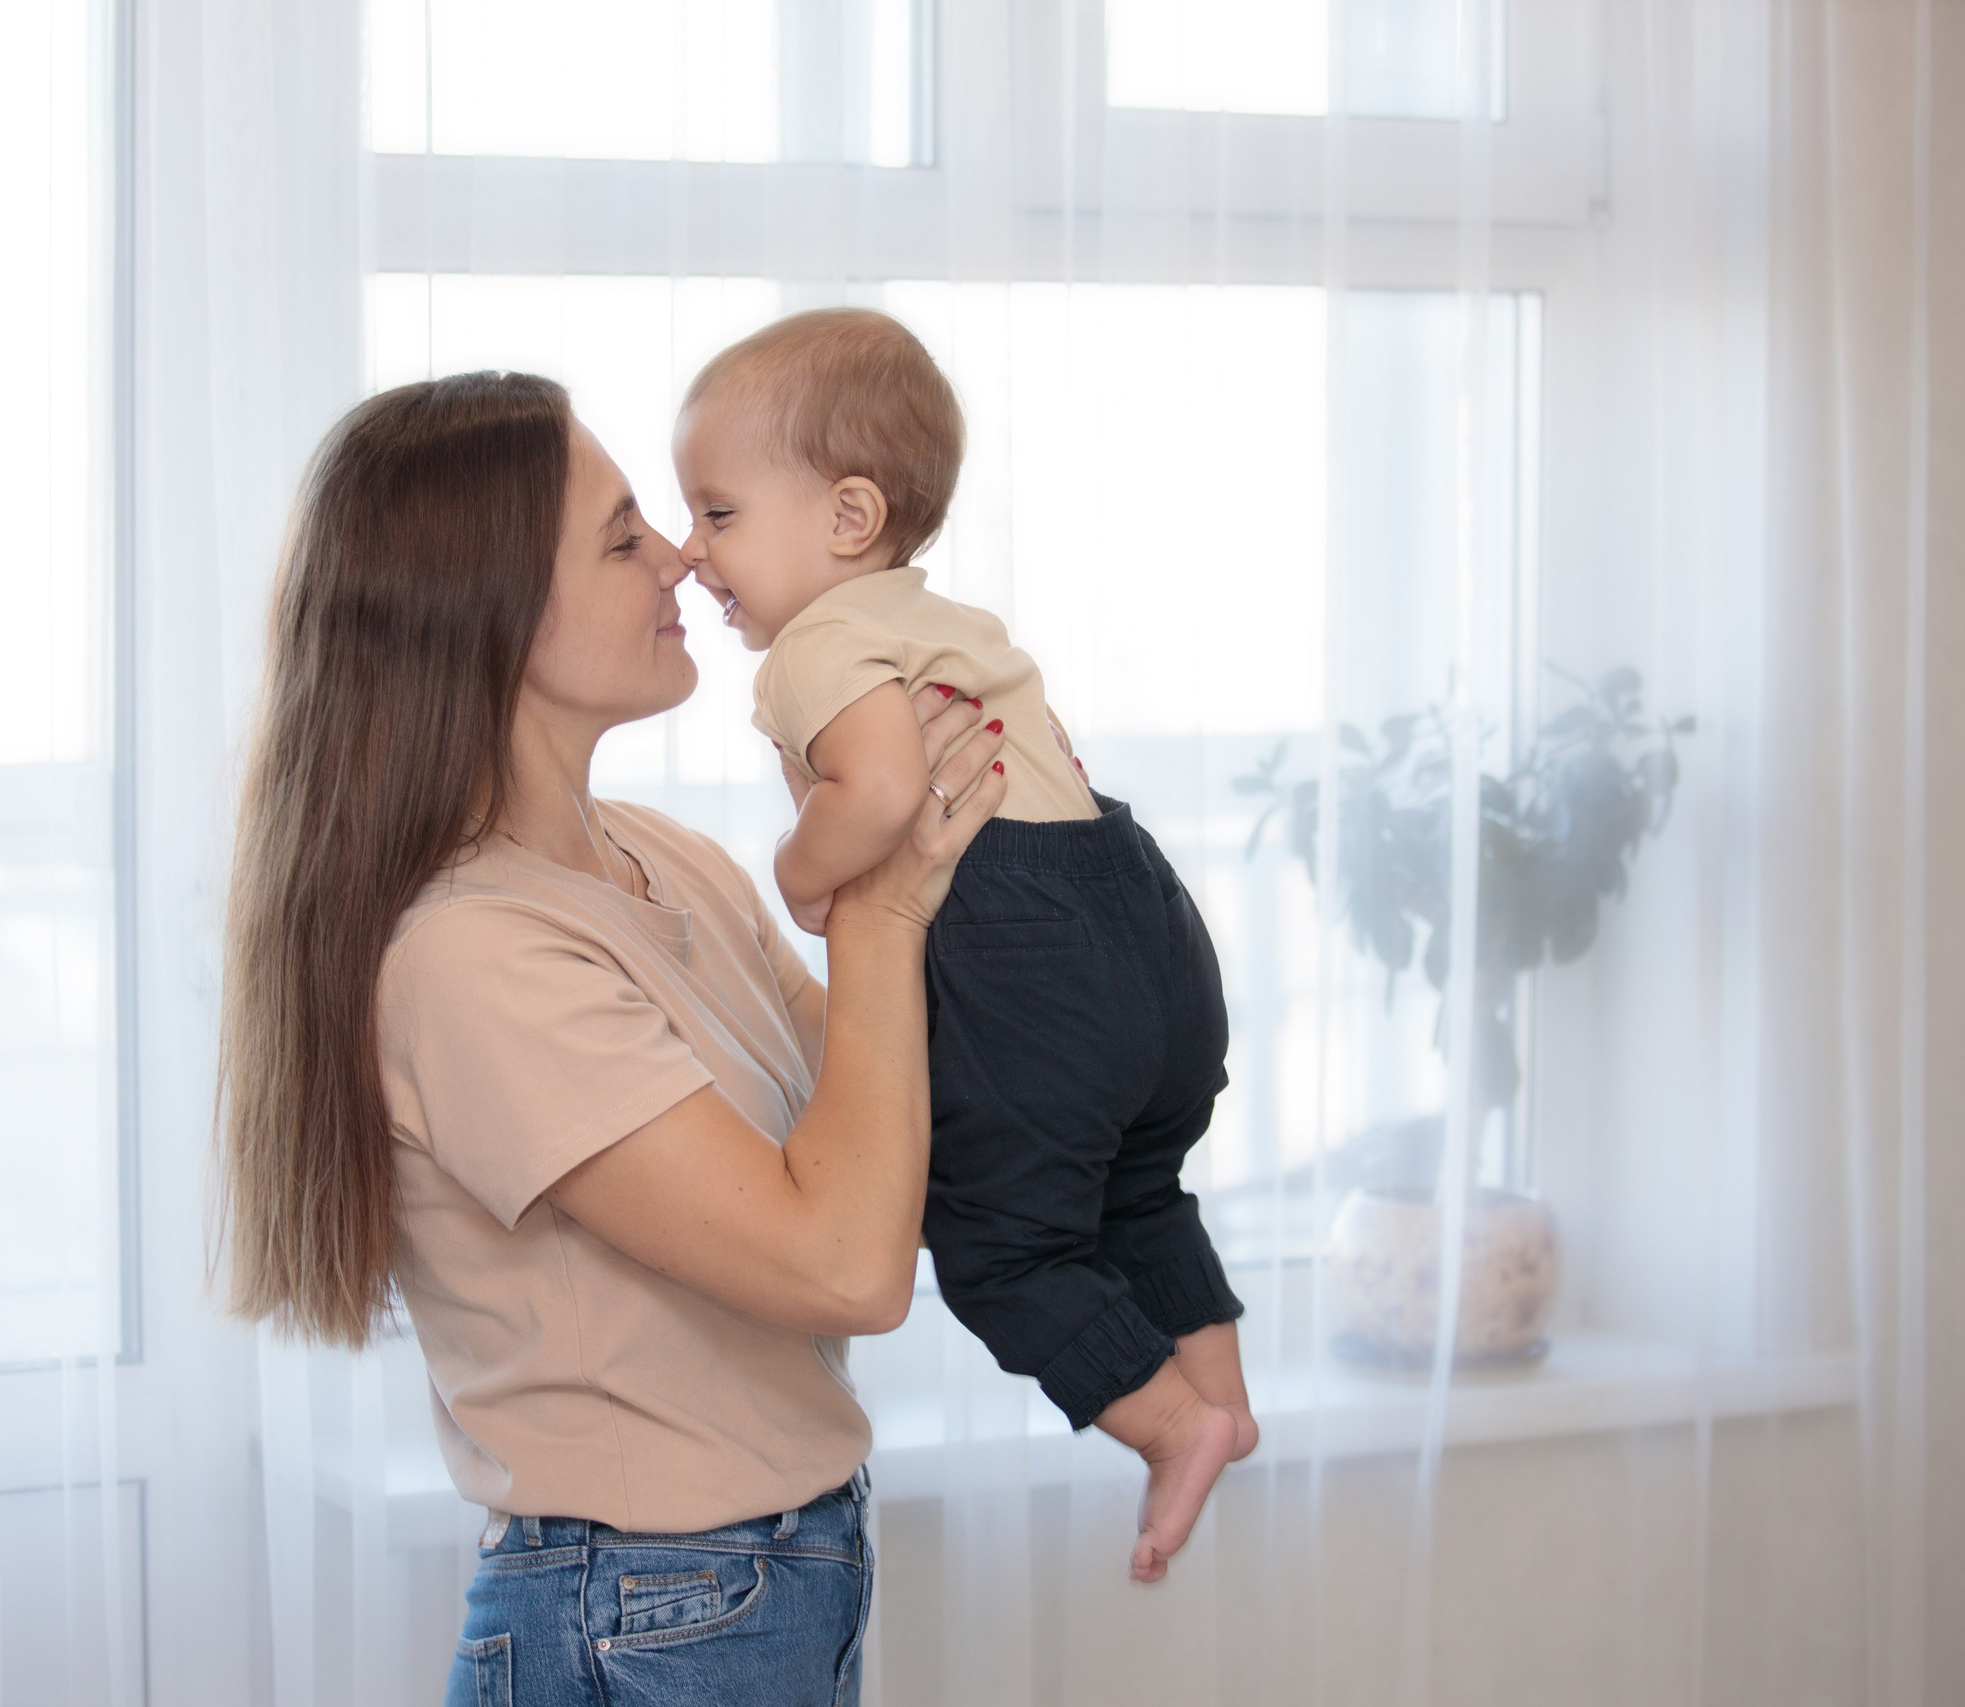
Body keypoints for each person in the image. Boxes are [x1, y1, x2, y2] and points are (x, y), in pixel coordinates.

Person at [213, 371, 1007, 1707]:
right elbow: (848, 1262)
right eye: (625, 530)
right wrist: (876, 904)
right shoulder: (472, 955)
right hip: (653, 1599)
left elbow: (894, 1153)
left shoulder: (669, 861)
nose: (683, 556)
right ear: (496, 614)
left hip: (758, 1574)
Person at [673, 308, 1256, 1585]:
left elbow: (881, 794)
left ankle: (1174, 1425)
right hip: (1142, 916)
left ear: (844, 517)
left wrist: (799, 872)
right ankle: (1222, 1390)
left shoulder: (815, 646)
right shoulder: (948, 622)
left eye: (716, 515)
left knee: (1001, 1244)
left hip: (1026, 940)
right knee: (1135, 1189)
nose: (689, 552)